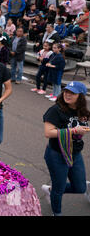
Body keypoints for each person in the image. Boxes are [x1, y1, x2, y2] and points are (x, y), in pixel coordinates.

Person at [42, 81, 90, 216]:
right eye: (66, 91)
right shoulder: (55, 110)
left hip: (75, 153)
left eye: (72, 93)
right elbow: (48, 132)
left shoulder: (83, 111)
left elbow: (82, 128)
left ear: (80, 96)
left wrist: (83, 130)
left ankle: (51, 190)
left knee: (80, 187)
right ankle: (56, 212)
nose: (67, 95)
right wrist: (74, 131)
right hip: (57, 154)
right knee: (59, 188)